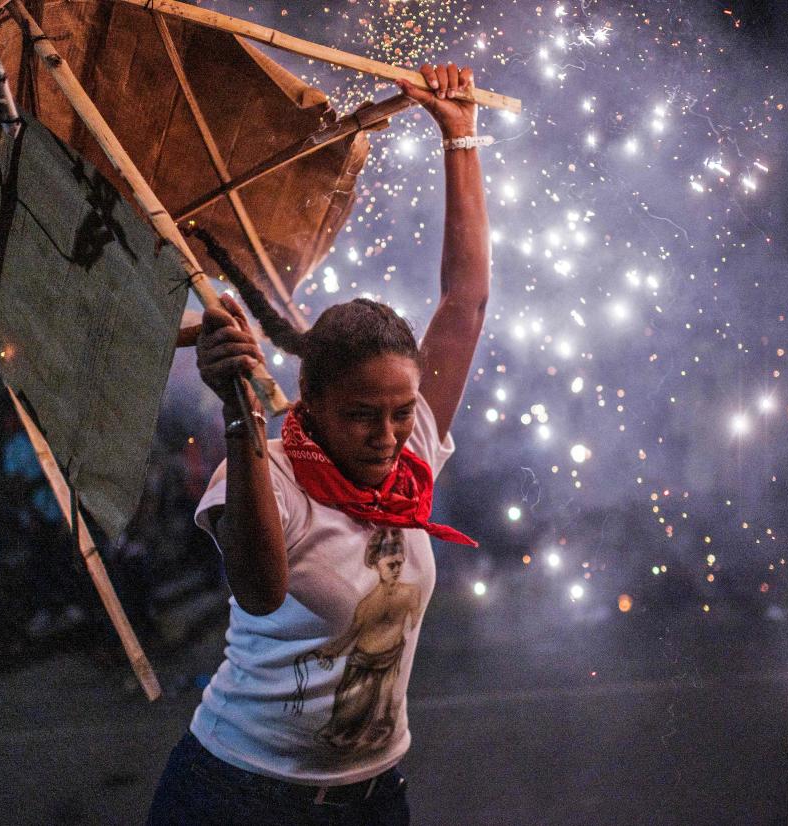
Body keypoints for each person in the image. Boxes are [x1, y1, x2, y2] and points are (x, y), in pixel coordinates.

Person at [148, 62, 489, 825]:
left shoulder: (412, 453)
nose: (390, 435)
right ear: (312, 403)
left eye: (402, 411)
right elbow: (260, 591)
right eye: (364, 415)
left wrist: (459, 136)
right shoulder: (269, 473)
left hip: (373, 796)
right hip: (237, 794)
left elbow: (464, 303)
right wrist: (237, 410)